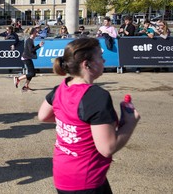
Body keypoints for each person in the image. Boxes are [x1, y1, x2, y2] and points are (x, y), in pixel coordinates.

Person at [38, 38, 140, 193]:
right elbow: (107, 148)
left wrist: (75, 125)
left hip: (63, 175)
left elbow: (43, 116)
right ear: (87, 64)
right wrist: (130, 122)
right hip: (86, 180)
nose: (104, 60)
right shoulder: (96, 96)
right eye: (100, 56)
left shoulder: (60, 88)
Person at [13, 27, 44, 91]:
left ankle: (26, 86)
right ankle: (18, 79)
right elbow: (31, 50)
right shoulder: (29, 40)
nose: (37, 33)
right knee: (32, 73)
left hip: (27, 57)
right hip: (25, 58)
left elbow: (31, 49)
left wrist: (38, 46)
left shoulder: (31, 40)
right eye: (36, 32)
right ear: (32, 33)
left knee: (32, 73)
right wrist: (39, 46)